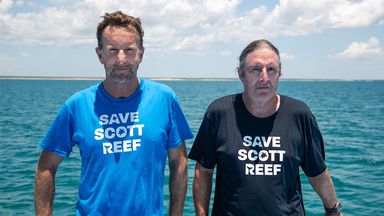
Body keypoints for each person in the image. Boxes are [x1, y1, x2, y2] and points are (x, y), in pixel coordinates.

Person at [34, 11, 193, 216]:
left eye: (129, 50)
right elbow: (46, 166)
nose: (121, 59)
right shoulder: (77, 105)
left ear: (141, 54)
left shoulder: (164, 98)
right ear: (99, 54)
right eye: (112, 50)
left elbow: (178, 161)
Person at [188, 39, 342, 215]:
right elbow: (204, 170)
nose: (264, 78)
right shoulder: (219, 112)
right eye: (255, 69)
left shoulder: (299, 114)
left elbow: (317, 172)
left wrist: (334, 210)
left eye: (271, 70)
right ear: (241, 74)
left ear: (279, 74)